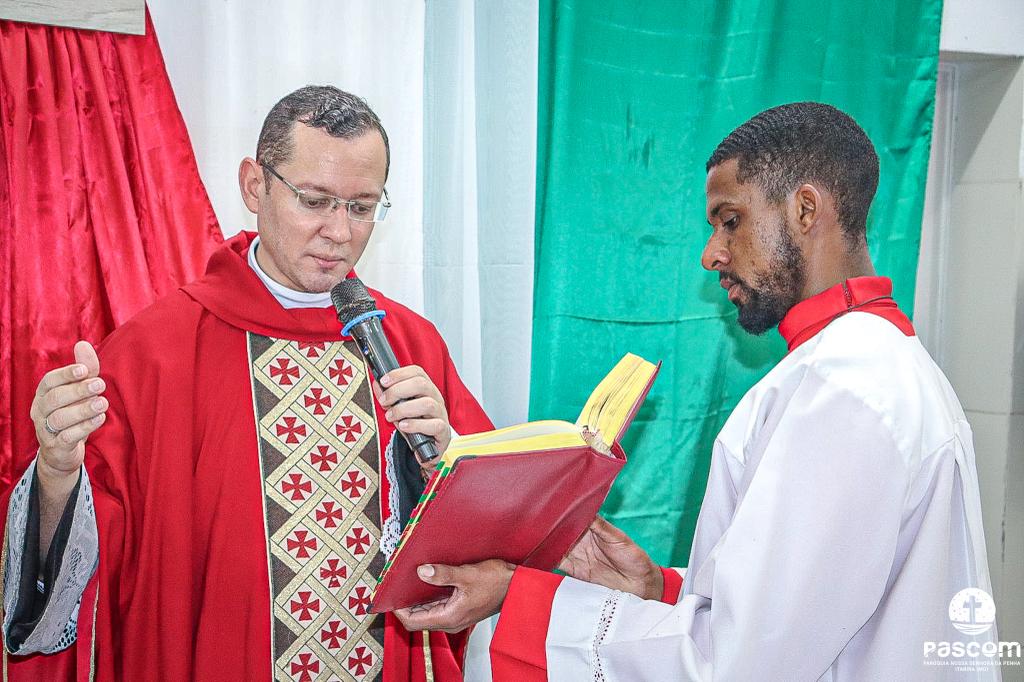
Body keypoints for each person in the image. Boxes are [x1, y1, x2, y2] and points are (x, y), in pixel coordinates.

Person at [394, 103, 997, 681]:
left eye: (730, 220)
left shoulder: (843, 387)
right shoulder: (874, 362)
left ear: (805, 209)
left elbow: (736, 664)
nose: (712, 255)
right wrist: (657, 590)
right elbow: (800, 616)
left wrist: (520, 597)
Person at [1, 86, 493, 681]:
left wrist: (444, 465)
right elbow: (83, 573)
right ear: (255, 186)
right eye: (315, 200)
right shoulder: (154, 353)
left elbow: (490, 544)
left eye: (362, 207)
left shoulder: (410, 345)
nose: (340, 232)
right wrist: (56, 472)